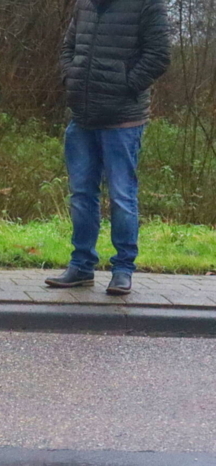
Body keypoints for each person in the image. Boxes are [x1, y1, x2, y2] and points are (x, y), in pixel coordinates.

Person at [45, 0, 170, 295]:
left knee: (122, 196)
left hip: (123, 119)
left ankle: (123, 270)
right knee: (81, 195)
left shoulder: (148, 5)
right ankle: (81, 266)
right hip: (82, 117)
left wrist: (126, 84)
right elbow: (69, 47)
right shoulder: (84, 4)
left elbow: (159, 55)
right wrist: (70, 75)